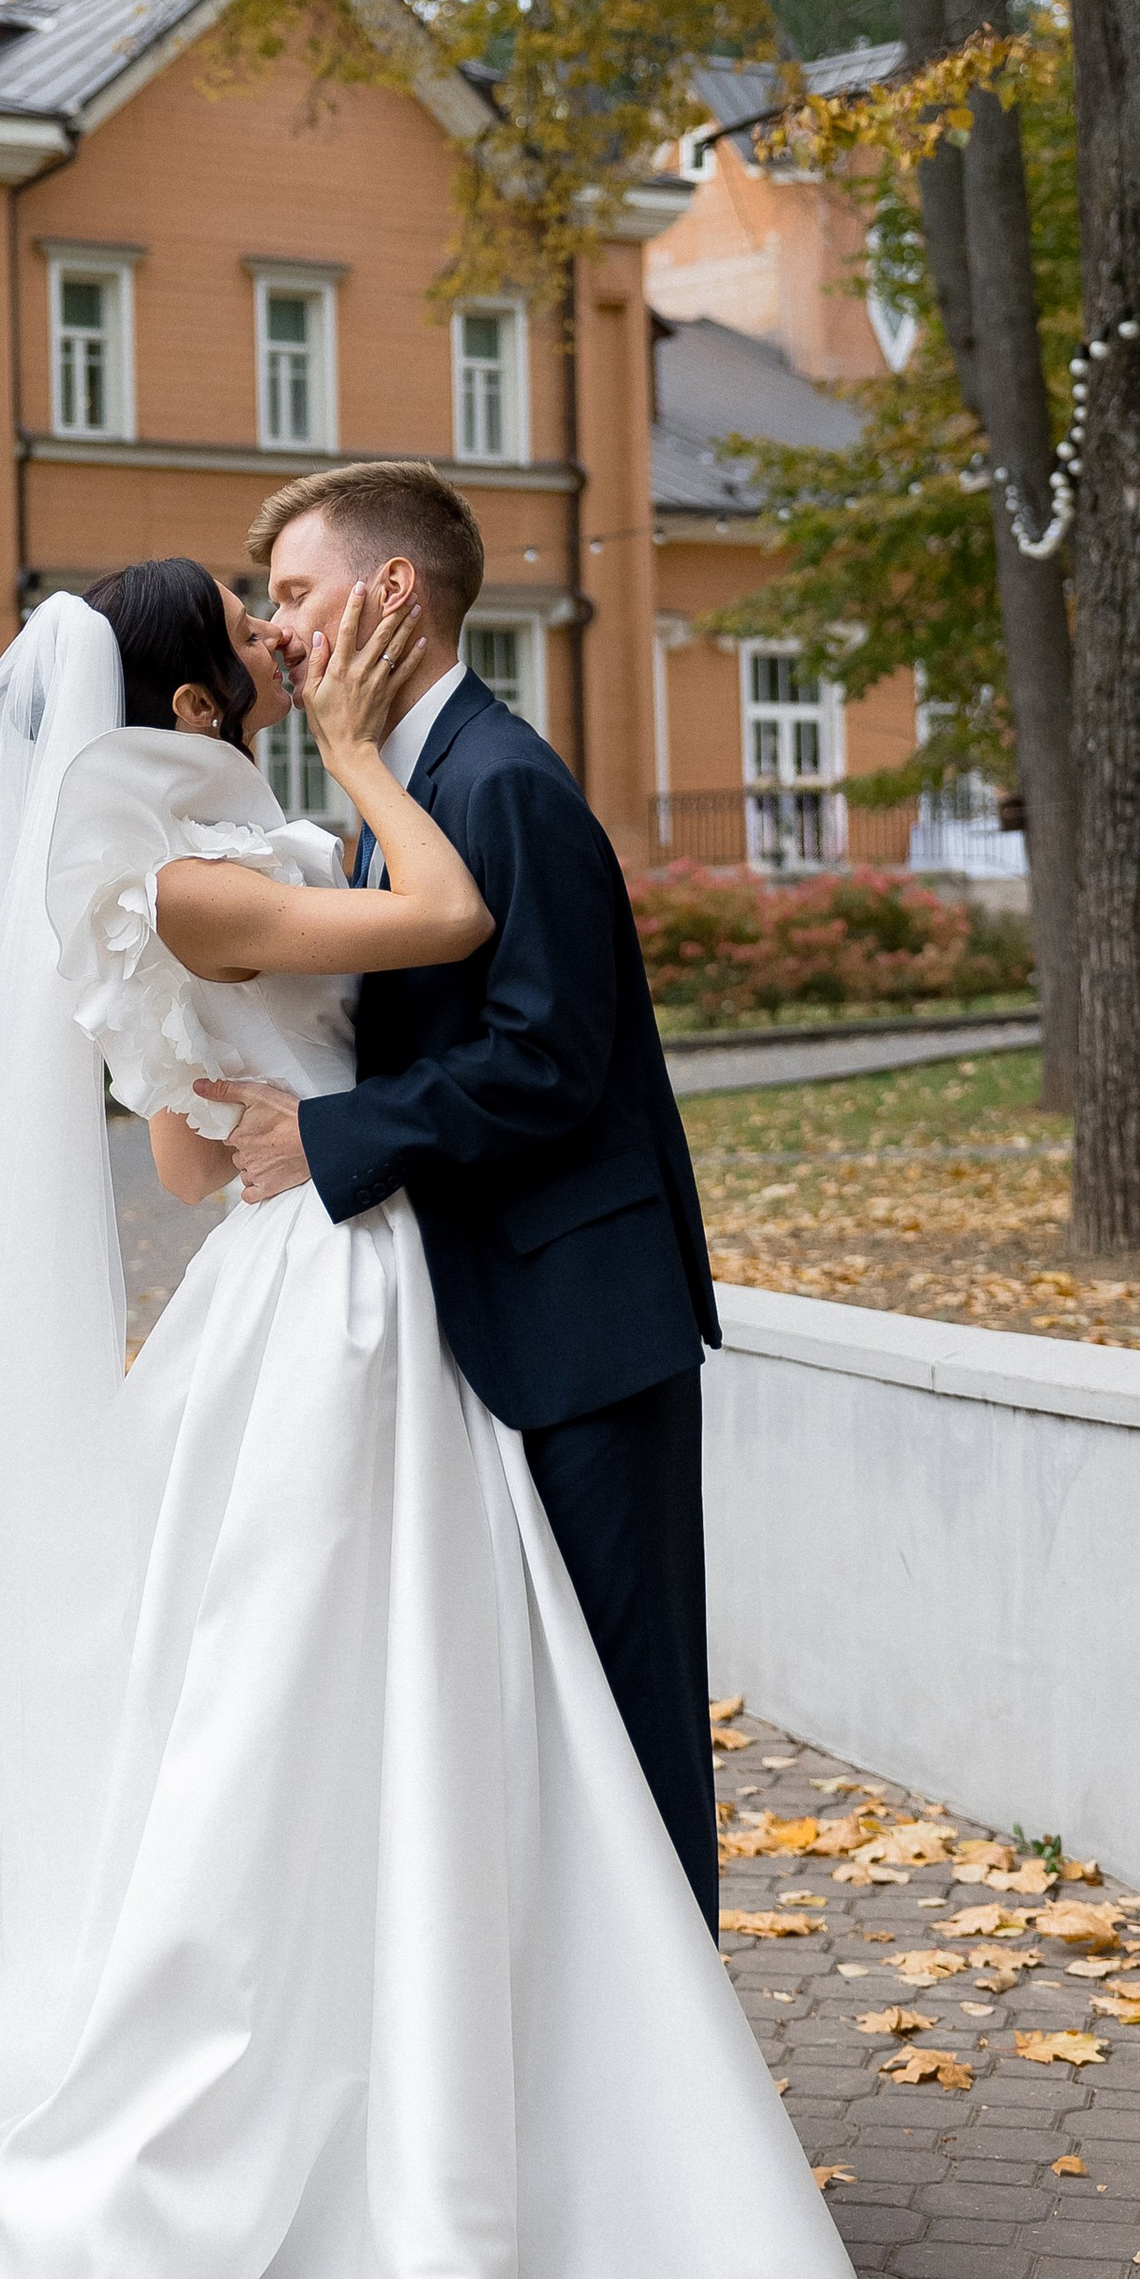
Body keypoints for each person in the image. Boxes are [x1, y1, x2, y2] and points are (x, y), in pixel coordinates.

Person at [0, 558, 864, 2279]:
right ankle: (348, 2120)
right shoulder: (191, 878)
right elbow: (446, 915)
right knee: (317, 1698)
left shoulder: (155, 870)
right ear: (194, 707)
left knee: (342, 1703)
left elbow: (181, 1171)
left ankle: (423, 2077)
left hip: (303, 1258)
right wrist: (351, 765)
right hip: (335, 1290)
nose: (284, 639)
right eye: (256, 633)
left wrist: (271, 1064)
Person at [213, 462, 724, 1922]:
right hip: (498, 1312)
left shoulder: (500, 781)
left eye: (298, 595)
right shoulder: (407, 787)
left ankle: (680, 2129)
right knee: (539, 1729)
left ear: (394, 594)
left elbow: (551, 1062)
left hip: (582, 1327)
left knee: (625, 1727)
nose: (279, 627)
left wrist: (332, 1139)